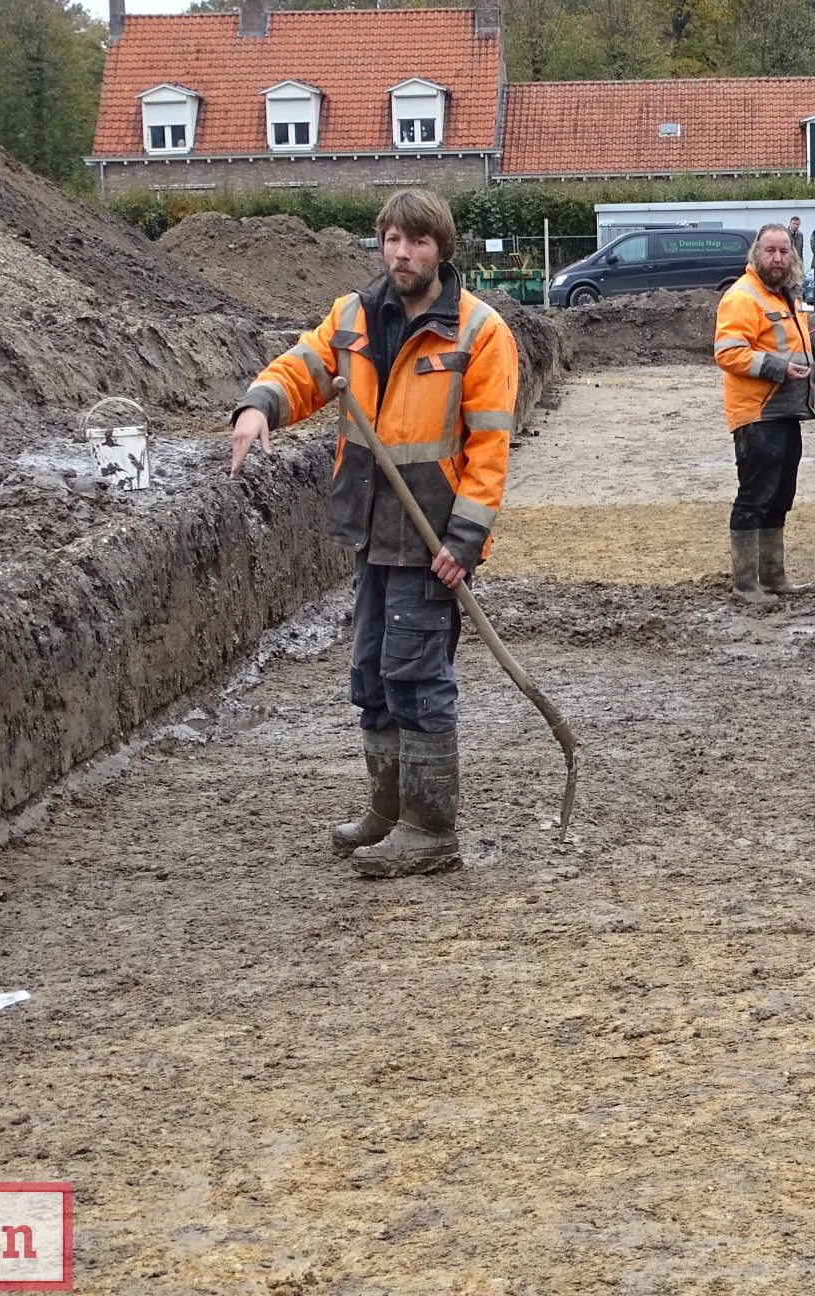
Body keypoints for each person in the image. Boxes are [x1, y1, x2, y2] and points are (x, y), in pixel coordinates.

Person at [229, 189, 518, 879]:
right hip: (371, 529)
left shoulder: (478, 333)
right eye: (390, 239)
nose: (400, 252)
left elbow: (490, 451)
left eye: (415, 241)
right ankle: (387, 811)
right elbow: (301, 368)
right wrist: (257, 405)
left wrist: (465, 543)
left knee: (417, 677)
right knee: (372, 676)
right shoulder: (353, 315)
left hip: (431, 539)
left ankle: (429, 829)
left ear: (440, 249)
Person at [714, 224, 815, 605]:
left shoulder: (786, 297)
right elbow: (728, 353)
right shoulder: (743, 297)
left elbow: (795, 351)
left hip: (788, 410)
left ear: (793, 254)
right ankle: (745, 583)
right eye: (770, 251)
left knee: (780, 495)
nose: (777, 258)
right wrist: (777, 369)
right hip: (758, 412)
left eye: (784, 251)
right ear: (757, 253)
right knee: (755, 496)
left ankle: (773, 576)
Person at [786, 215, 806, 302]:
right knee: (788, 284)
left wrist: (801, 264)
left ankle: (798, 303)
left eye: (797, 224)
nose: (795, 226)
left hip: (797, 263)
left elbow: (801, 250)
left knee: (798, 284)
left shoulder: (800, 235)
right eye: (794, 223)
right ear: (790, 223)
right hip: (788, 262)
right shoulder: (785, 234)